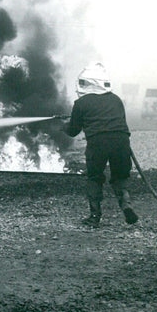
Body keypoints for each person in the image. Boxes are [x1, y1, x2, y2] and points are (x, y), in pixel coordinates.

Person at [64, 63, 138, 228]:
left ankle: (94, 216)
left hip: (98, 143)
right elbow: (119, 122)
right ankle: (126, 205)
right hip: (121, 141)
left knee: (95, 177)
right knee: (120, 176)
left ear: (87, 83)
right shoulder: (116, 99)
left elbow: (73, 131)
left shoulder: (81, 103)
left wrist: (64, 124)